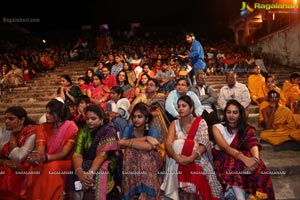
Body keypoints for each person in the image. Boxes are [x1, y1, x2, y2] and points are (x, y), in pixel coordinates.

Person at [161, 95, 223, 200]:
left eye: (183, 106)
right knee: (177, 145)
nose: (180, 108)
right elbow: (168, 145)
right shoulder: (174, 124)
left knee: (189, 145)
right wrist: (177, 158)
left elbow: (204, 144)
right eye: (178, 106)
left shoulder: (200, 122)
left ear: (191, 108)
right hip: (176, 159)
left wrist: (190, 158)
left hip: (197, 158)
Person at [212, 99, 275, 200]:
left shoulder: (246, 128)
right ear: (225, 113)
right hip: (223, 158)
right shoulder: (217, 127)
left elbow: (253, 143)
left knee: (261, 168)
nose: (231, 115)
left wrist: (255, 160)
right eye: (229, 112)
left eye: (235, 112)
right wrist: (244, 159)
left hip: (243, 156)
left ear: (240, 114)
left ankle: (259, 196)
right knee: (233, 163)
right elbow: (225, 148)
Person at [26, 99, 78, 200]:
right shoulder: (42, 128)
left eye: (50, 113)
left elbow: (64, 153)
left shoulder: (71, 127)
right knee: (36, 168)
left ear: (59, 113)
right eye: (46, 112)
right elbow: (40, 150)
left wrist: (45, 157)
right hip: (47, 161)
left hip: (65, 163)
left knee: (51, 168)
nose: (47, 115)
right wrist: (36, 158)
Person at [69, 104, 121, 199]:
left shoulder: (109, 130)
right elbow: (77, 153)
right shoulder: (83, 131)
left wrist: (90, 173)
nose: (89, 121)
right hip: (87, 161)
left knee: (97, 169)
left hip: (107, 161)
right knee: (76, 166)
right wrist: (79, 172)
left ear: (101, 120)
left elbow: (103, 155)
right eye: (87, 118)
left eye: (93, 119)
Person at [118, 103, 163, 200]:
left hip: (151, 161)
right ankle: (134, 191)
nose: (136, 119)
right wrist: (146, 138)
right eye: (134, 117)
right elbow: (121, 144)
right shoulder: (129, 128)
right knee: (130, 152)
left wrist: (128, 142)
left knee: (142, 155)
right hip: (133, 162)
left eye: (140, 117)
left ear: (146, 119)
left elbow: (149, 147)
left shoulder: (152, 129)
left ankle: (146, 193)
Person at [0, 106, 37, 199]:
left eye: (11, 119)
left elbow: (19, 157)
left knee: (6, 174)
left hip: (25, 168)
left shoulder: (31, 132)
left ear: (22, 119)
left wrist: (12, 136)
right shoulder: (5, 130)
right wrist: (4, 162)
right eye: (6, 118)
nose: (7, 121)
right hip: (8, 165)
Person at [190, 71, 219, 140]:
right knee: (206, 120)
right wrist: (206, 96)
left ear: (205, 79)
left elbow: (214, 98)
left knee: (215, 121)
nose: (200, 80)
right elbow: (194, 100)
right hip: (199, 110)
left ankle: (215, 139)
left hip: (209, 109)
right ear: (196, 79)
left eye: (202, 78)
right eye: (199, 78)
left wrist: (201, 100)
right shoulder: (192, 89)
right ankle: (209, 139)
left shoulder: (208, 87)